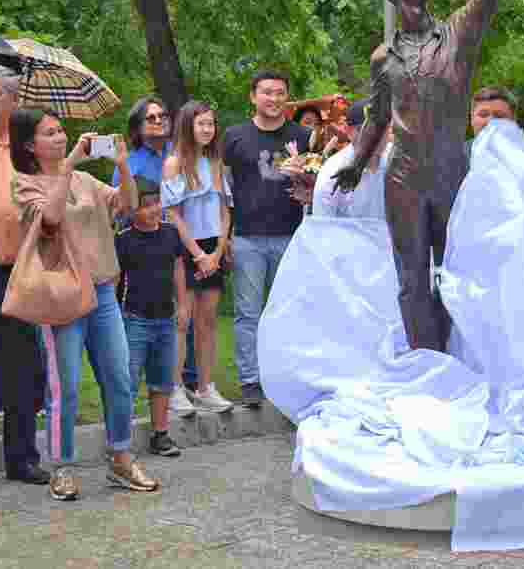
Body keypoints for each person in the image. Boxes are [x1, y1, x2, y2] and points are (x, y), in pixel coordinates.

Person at [333, 0, 524, 353]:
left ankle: (452, 359)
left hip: (450, 173)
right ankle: (424, 363)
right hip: (403, 178)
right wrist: (356, 162)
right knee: (411, 280)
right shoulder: (383, 58)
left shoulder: (457, 34)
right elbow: (377, 117)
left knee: (454, 274)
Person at [9, 108, 158, 501]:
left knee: (120, 378)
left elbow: (128, 205)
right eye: (50, 133)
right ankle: (62, 467)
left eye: (61, 131)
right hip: (61, 297)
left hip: (103, 292)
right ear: (29, 145)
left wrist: (122, 165)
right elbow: (51, 218)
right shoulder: (25, 184)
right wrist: (69, 164)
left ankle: (121, 457)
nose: (61, 138)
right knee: (66, 387)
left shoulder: (86, 180)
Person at [0, 65, 49, 491]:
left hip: (23, 272)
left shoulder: (29, 149)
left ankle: (22, 460)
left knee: (22, 370)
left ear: (15, 100)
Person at [223, 69, 311, 406]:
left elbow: (318, 184)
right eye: (267, 92)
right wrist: (226, 235)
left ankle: (284, 376)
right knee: (248, 312)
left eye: (279, 93)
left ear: (287, 97)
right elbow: (224, 188)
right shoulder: (235, 136)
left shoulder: (303, 136)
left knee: (288, 311)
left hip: (292, 235)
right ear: (253, 96)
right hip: (247, 236)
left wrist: (305, 179)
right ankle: (250, 379)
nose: (273, 99)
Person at [163, 101, 234, 414]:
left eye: (211, 124)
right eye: (201, 124)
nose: (207, 129)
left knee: (208, 320)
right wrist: (198, 254)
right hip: (186, 248)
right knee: (183, 319)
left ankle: (205, 387)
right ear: (188, 126)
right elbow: (173, 215)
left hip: (213, 248)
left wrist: (217, 251)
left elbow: (225, 210)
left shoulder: (215, 162)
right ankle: (175, 388)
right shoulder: (174, 163)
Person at [115, 178, 186, 456]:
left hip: (165, 318)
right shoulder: (123, 239)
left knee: (162, 380)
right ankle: (120, 442)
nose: (154, 209)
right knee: (128, 381)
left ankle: (160, 434)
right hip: (135, 319)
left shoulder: (170, 233)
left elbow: (178, 268)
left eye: (157, 203)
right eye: (146, 205)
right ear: (132, 209)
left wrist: (182, 305)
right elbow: (116, 280)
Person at [311, 99, 389, 219]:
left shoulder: (402, 164)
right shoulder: (332, 171)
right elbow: (323, 222)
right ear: (348, 131)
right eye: (363, 130)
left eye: (381, 129)